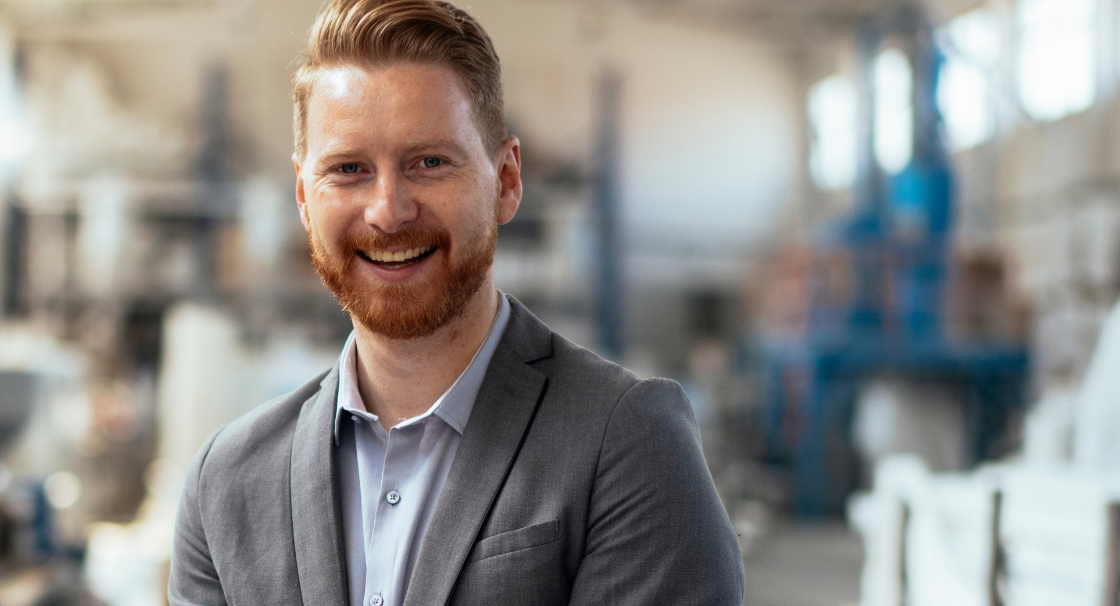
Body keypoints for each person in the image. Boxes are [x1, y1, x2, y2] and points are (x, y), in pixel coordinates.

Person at [166, 0, 745, 604]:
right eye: (349, 169)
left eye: (430, 162)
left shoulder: (626, 444)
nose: (388, 210)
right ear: (304, 198)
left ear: (507, 180)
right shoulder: (227, 482)